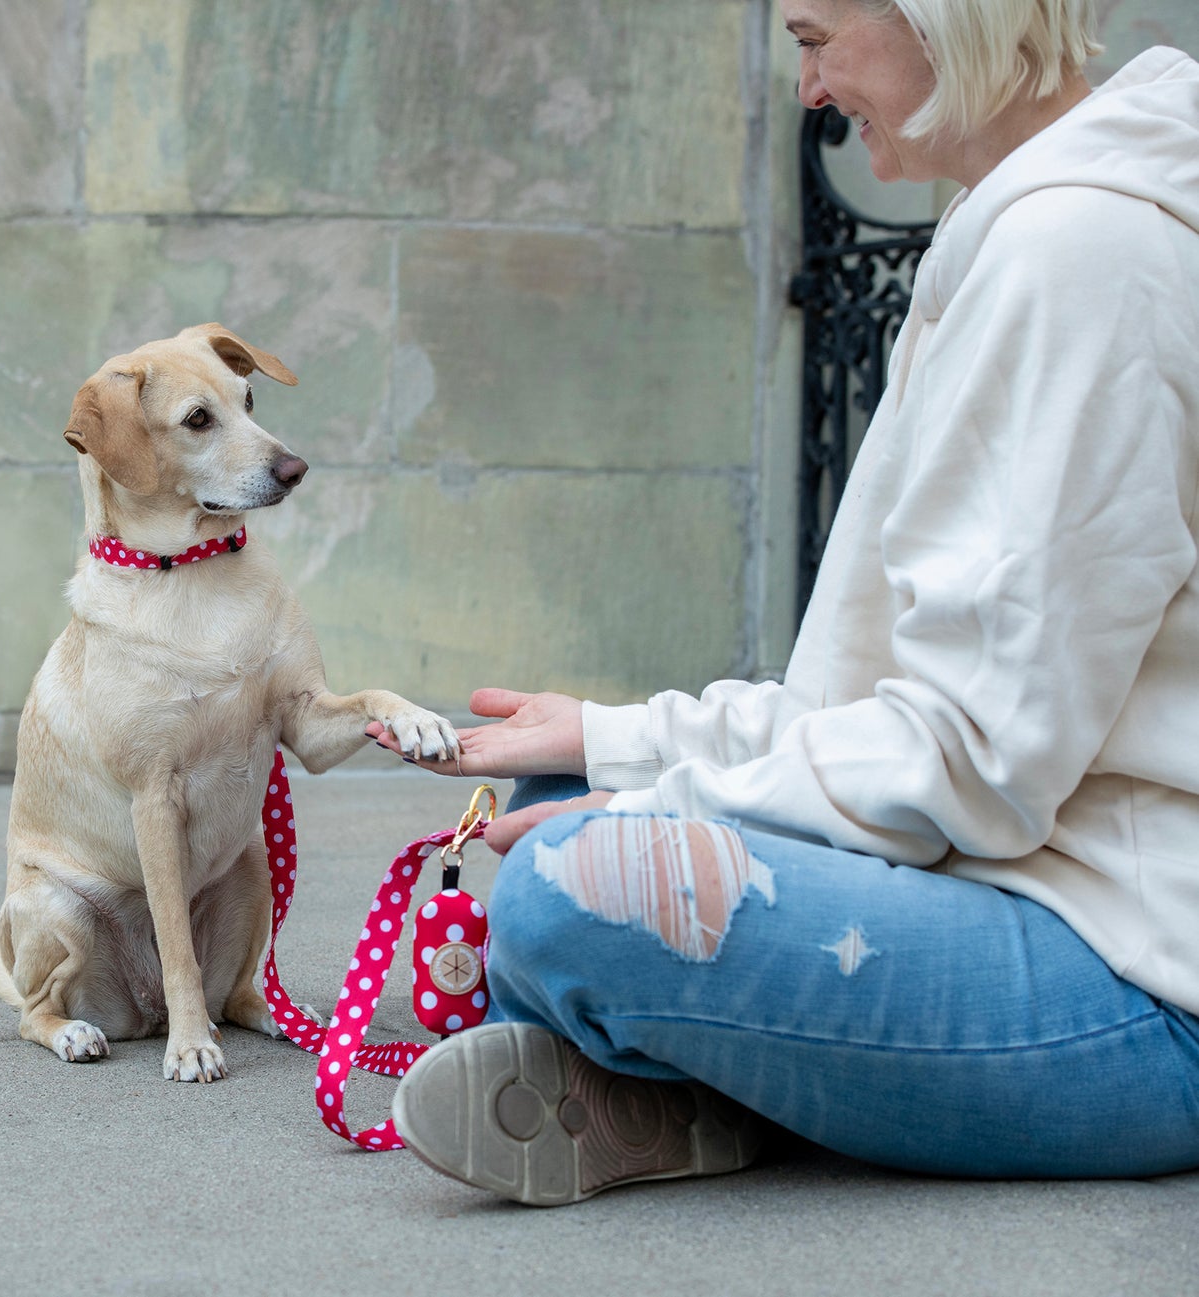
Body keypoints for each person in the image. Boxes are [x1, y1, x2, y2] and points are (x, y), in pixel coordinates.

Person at [368, 0, 1199, 1206]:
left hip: (1137, 989)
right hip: (1024, 888)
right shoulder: (1015, 221)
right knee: (560, 803)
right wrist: (619, 739)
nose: (806, 88)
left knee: (566, 896)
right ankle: (699, 1089)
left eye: (815, 39)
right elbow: (872, 704)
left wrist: (654, 801)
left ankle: (689, 1094)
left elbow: (969, 759)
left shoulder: (1074, 255)